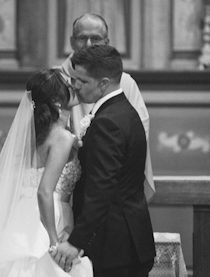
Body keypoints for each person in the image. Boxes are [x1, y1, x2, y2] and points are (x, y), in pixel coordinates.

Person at [0, 68, 92, 277]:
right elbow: (44, 191)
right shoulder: (62, 137)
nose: (73, 87)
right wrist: (53, 243)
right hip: (45, 219)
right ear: (56, 100)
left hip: (25, 214)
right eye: (66, 86)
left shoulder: (36, 135)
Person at [52, 45, 155, 277]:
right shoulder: (124, 111)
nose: (75, 86)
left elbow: (101, 189)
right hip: (126, 240)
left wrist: (76, 242)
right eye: (74, 79)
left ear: (104, 83)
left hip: (114, 247)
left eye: (82, 81)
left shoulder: (107, 122)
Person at [59, 13, 155, 202]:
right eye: (81, 38)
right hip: (64, 175)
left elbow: (138, 131)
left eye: (95, 38)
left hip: (112, 181)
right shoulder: (56, 80)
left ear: (107, 42)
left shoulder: (124, 82)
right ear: (71, 41)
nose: (88, 44)